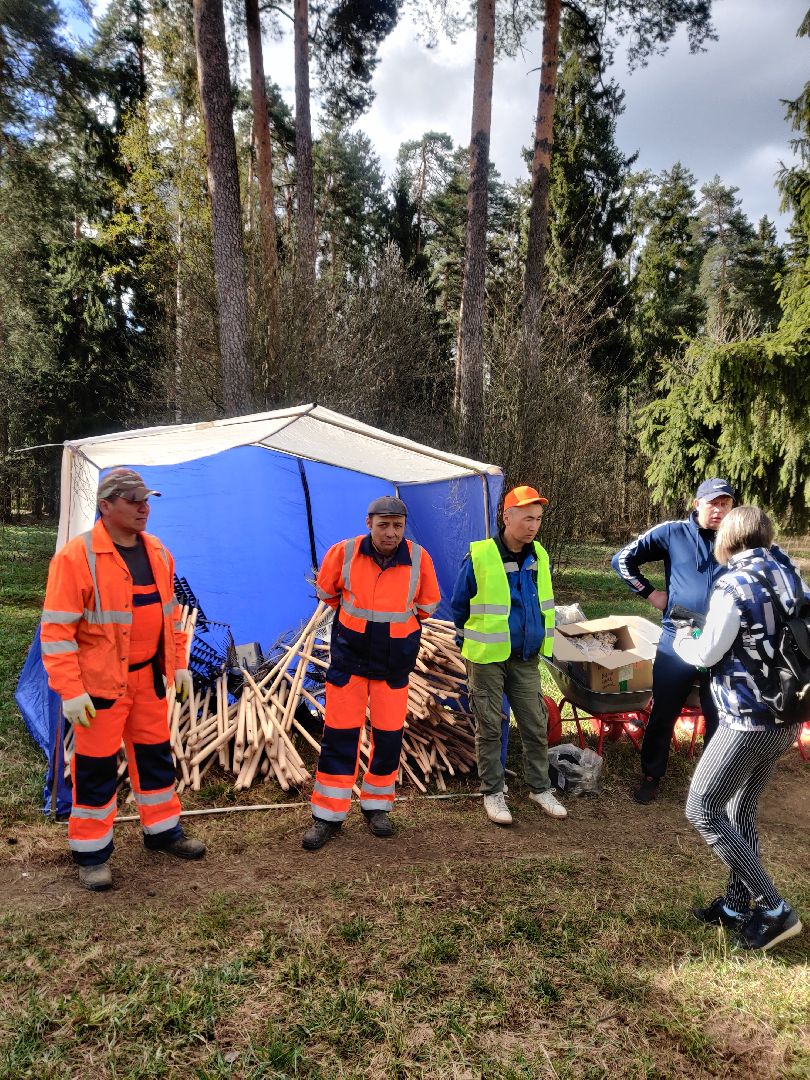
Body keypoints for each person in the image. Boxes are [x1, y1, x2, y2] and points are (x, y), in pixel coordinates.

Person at [40, 469, 205, 892]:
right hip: (98, 688)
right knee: (94, 769)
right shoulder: (76, 558)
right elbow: (57, 632)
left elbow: (171, 616)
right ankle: (91, 853)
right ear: (106, 505)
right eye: (133, 500)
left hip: (147, 679)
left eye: (146, 500)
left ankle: (163, 831)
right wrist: (71, 691)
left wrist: (179, 663)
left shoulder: (158, 553)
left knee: (154, 758)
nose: (143, 508)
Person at [675, 506, 805, 951]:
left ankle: (773, 908)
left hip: (747, 721)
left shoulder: (732, 582)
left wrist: (681, 639)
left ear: (727, 539)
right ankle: (735, 905)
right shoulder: (789, 572)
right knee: (739, 811)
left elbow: (708, 653)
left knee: (702, 807)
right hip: (787, 715)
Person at [302, 496, 441, 851]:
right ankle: (327, 816)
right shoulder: (343, 553)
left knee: (388, 738)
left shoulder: (419, 558)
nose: (390, 533)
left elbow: (426, 606)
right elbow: (328, 595)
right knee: (339, 737)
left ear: (404, 527)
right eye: (383, 525)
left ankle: (377, 807)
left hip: (393, 665)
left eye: (397, 526)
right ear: (368, 523)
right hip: (349, 662)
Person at [611, 478, 735, 804]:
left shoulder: (739, 539)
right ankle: (652, 775)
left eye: (725, 503)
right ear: (698, 503)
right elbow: (622, 560)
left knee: (719, 715)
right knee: (664, 712)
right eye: (713, 503)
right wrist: (651, 594)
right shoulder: (672, 533)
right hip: (678, 636)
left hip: (723, 641)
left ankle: (713, 786)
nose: (719, 510)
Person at [451, 485, 566, 826]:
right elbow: (459, 607)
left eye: (539, 519)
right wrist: (471, 644)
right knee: (489, 727)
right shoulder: (481, 555)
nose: (533, 525)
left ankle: (539, 788)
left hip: (525, 657)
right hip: (487, 658)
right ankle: (493, 792)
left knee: (535, 722)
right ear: (507, 516)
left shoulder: (539, 556)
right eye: (527, 517)